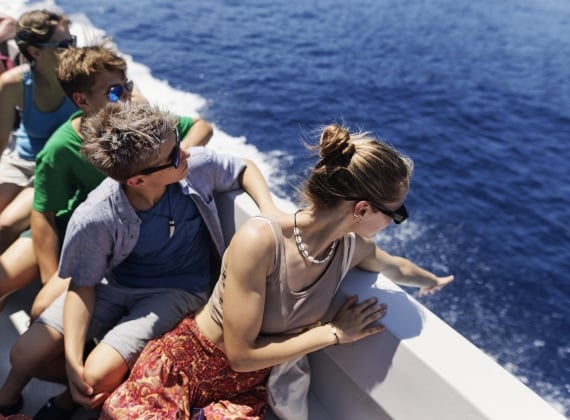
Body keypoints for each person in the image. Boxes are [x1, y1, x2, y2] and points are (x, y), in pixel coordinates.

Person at [101, 123, 455, 418]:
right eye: (396, 214)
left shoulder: (350, 247)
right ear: (361, 209)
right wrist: (334, 333)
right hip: (186, 367)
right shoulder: (261, 241)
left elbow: (395, 266)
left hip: (246, 389)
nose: (394, 222)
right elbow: (240, 356)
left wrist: (431, 280)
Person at [4, 101, 280, 419]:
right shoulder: (96, 216)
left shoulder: (195, 168)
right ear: (136, 180)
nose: (186, 153)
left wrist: (269, 211)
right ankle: (97, 388)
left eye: (178, 143)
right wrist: (71, 360)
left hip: (177, 290)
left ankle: (77, 396)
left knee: (94, 377)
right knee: (24, 354)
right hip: (117, 284)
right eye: (174, 155)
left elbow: (244, 167)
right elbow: (83, 288)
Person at [0, 45, 214, 417]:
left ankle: (69, 398)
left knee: (89, 364)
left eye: (126, 86)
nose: (127, 95)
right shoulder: (64, 156)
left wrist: (172, 165)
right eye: (115, 91)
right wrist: (55, 280)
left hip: (144, 269)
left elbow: (203, 132)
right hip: (93, 246)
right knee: (31, 334)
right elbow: (45, 215)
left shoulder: (153, 138)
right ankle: (18, 396)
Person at [0, 9, 77, 253]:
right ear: (35, 51)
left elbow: (127, 95)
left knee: (4, 225)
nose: (73, 50)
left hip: (58, 168)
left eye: (72, 41)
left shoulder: (83, 79)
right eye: (64, 44)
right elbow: (1, 140)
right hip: (21, 161)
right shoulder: (14, 83)